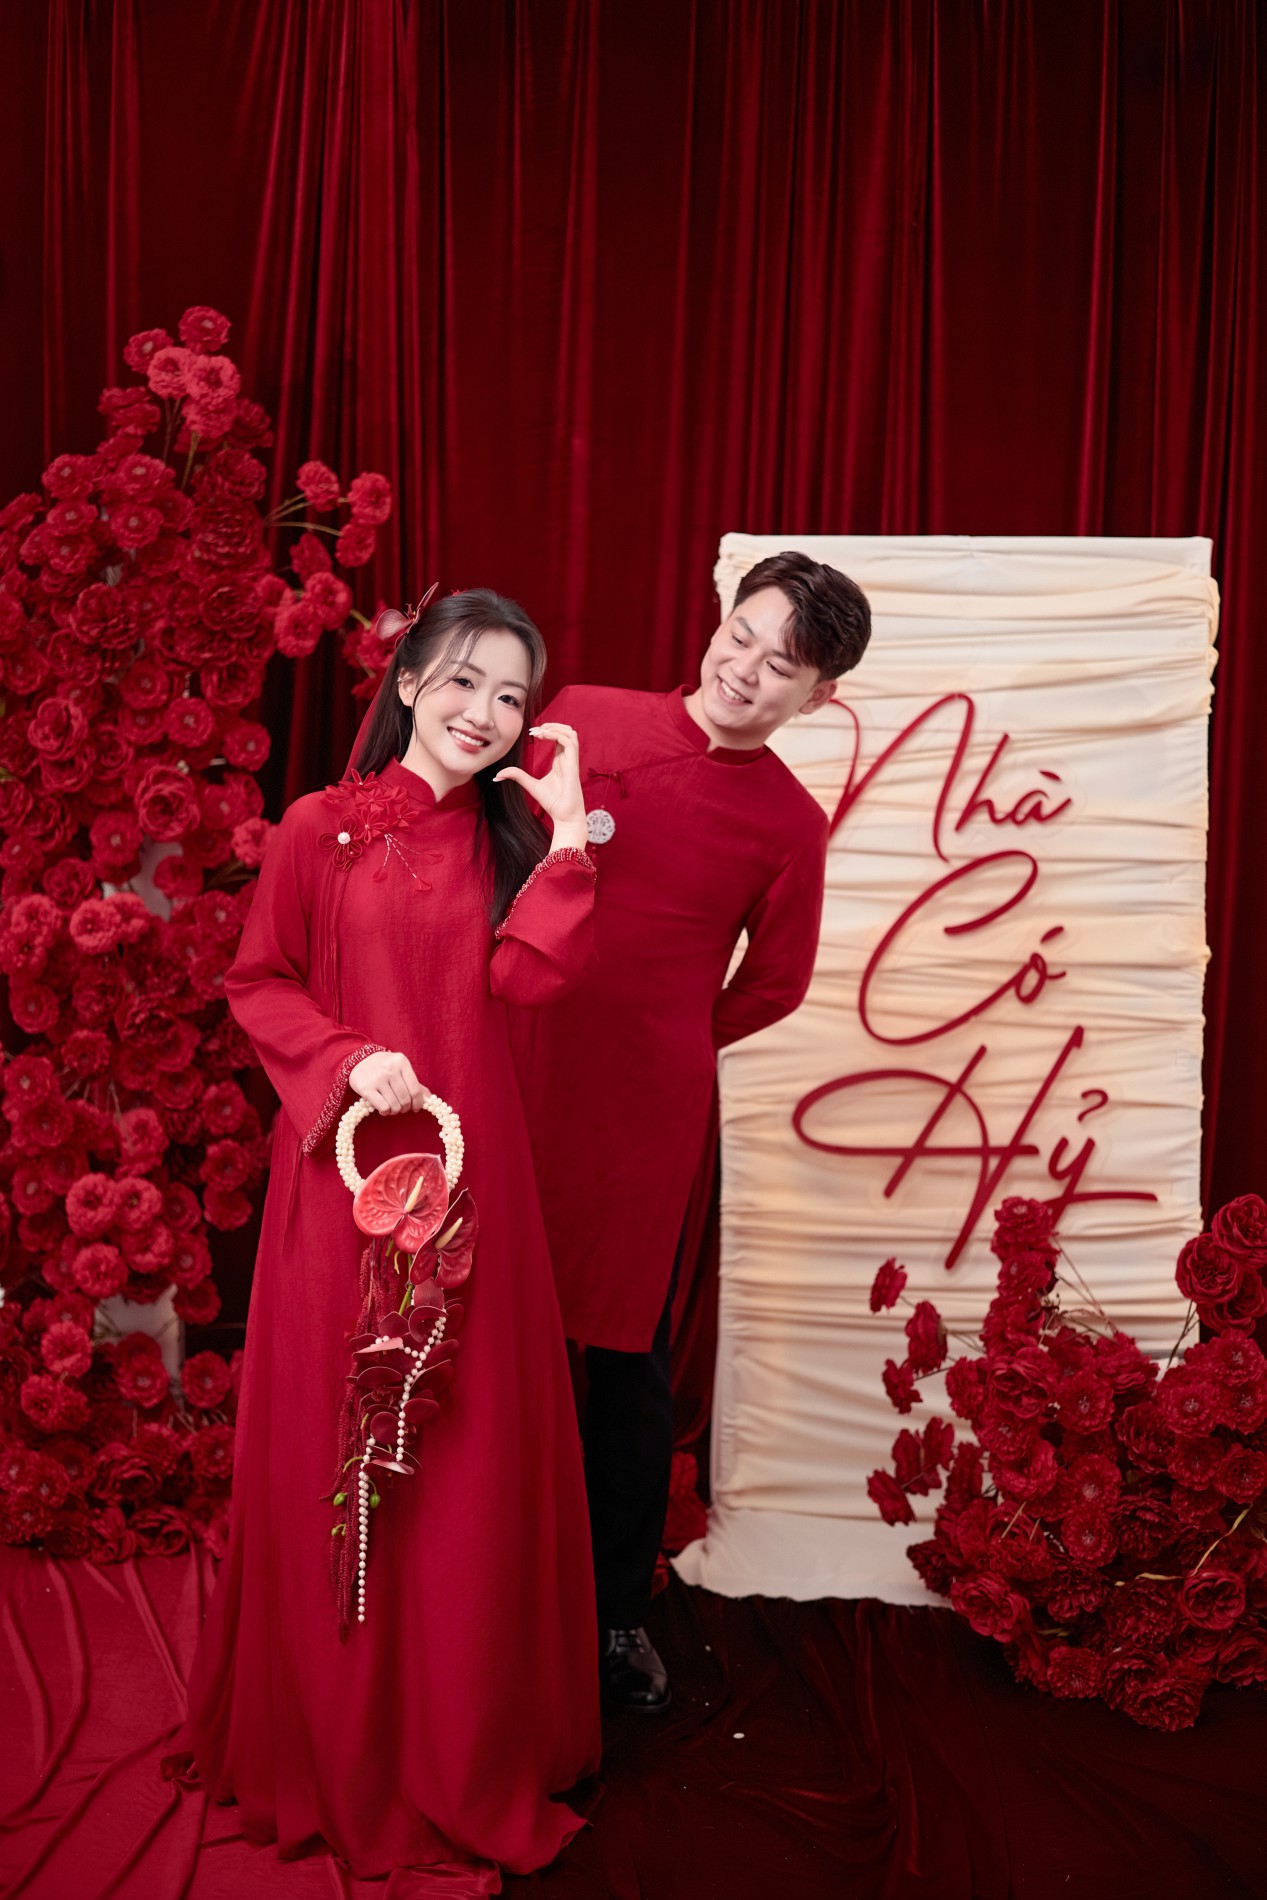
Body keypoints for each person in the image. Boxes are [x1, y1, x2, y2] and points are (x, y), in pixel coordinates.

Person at [181, 590, 601, 1891]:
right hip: (344, 1181)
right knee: (340, 1440)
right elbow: (257, 980)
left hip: (475, 1188)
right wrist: (345, 1058)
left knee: (460, 1451)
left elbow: (530, 979)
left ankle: (455, 1744)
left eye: (512, 698)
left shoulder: (507, 841)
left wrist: (566, 832)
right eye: (464, 681)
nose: (484, 713)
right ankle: (338, 1744)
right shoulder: (320, 828)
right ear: (409, 679)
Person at [511, 550, 872, 1712]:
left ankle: (613, 1617)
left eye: (784, 665)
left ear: (817, 696)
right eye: (743, 636)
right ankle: (445, 1580)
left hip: (642, 1106)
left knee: (622, 1360)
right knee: (467, 1315)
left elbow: (775, 984)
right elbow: (485, 852)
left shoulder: (789, 825)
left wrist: (667, 1028)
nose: (747, 670)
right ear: (719, 622)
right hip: (508, 1050)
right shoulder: (583, 716)